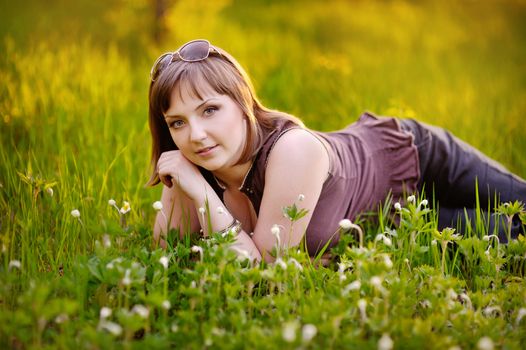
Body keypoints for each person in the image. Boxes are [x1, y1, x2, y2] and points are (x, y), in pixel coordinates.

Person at [147, 39, 526, 262]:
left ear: (242, 103)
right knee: (515, 240)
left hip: (418, 159)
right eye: (177, 122)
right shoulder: (191, 168)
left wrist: (198, 194)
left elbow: (264, 267)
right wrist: (185, 186)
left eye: (210, 110)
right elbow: (168, 257)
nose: (195, 135)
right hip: (394, 223)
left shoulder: (291, 150)